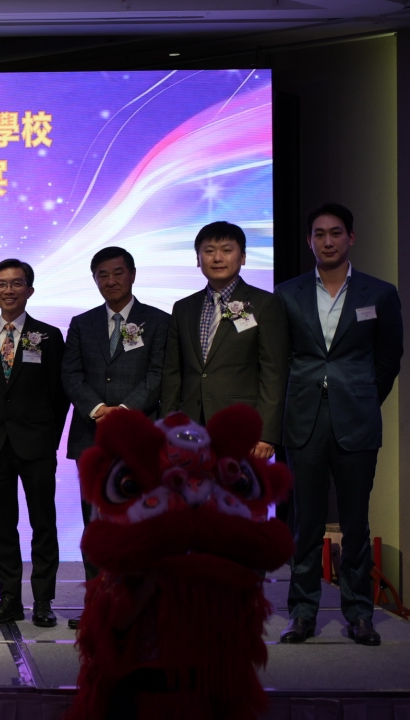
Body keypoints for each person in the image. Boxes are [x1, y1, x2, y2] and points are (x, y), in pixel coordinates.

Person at [277, 204, 403, 647]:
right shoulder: (287, 294)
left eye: (335, 233)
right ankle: (302, 612)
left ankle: (359, 614)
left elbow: (389, 358)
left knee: (355, 523)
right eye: (319, 234)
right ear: (309, 241)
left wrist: (363, 397)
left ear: (351, 237)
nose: (327, 241)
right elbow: (278, 359)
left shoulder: (379, 293)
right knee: (306, 523)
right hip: (303, 419)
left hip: (357, 419)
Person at [60, 247, 170, 629]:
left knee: (140, 523)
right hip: (91, 439)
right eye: (102, 275)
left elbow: (158, 375)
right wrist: (97, 410)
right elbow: (70, 374)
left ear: (133, 274)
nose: (111, 281)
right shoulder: (82, 323)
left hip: (139, 438)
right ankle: (98, 603)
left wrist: (122, 412)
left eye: (118, 273)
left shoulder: (158, 321)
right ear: (94, 280)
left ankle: (140, 604)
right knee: (95, 525)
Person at [0, 258, 69, 628]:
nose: (8, 290)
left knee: (44, 524)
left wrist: (49, 438)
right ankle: (9, 598)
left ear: (29, 289)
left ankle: (43, 600)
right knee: (3, 527)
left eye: (16, 283)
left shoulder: (49, 335)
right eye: (1, 283)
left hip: (37, 446)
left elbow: (60, 395)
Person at [161, 221, 288, 456]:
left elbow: (274, 374)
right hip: (189, 428)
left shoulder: (264, 304)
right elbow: (172, 374)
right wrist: (168, 427)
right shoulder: (183, 308)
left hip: (242, 428)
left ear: (243, 257)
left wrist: (266, 434)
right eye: (209, 251)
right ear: (198, 259)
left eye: (227, 250)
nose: (217, 258)